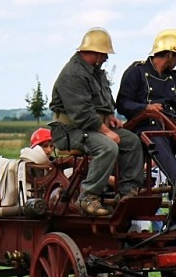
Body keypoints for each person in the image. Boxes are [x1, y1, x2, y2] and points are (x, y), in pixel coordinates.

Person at [49, 27, 144, 217]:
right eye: (104, 54)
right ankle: (88, 196)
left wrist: (109, 117)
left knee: (132, 142)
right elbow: (82, 113)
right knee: (107, 147)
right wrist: (106, 131)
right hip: (70, 131)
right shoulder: (73, 74)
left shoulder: (95, 72)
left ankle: (127, 193)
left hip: (92, 127)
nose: (106, 58)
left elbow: (103, 101)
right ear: (94, 53)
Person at [116, 28, 176, 186]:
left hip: (172, 127)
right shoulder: (136, 71)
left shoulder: (175, 77)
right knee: (158, 139)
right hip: (145, 129)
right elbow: (123, 104)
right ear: (169, 55)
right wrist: (146, 108)